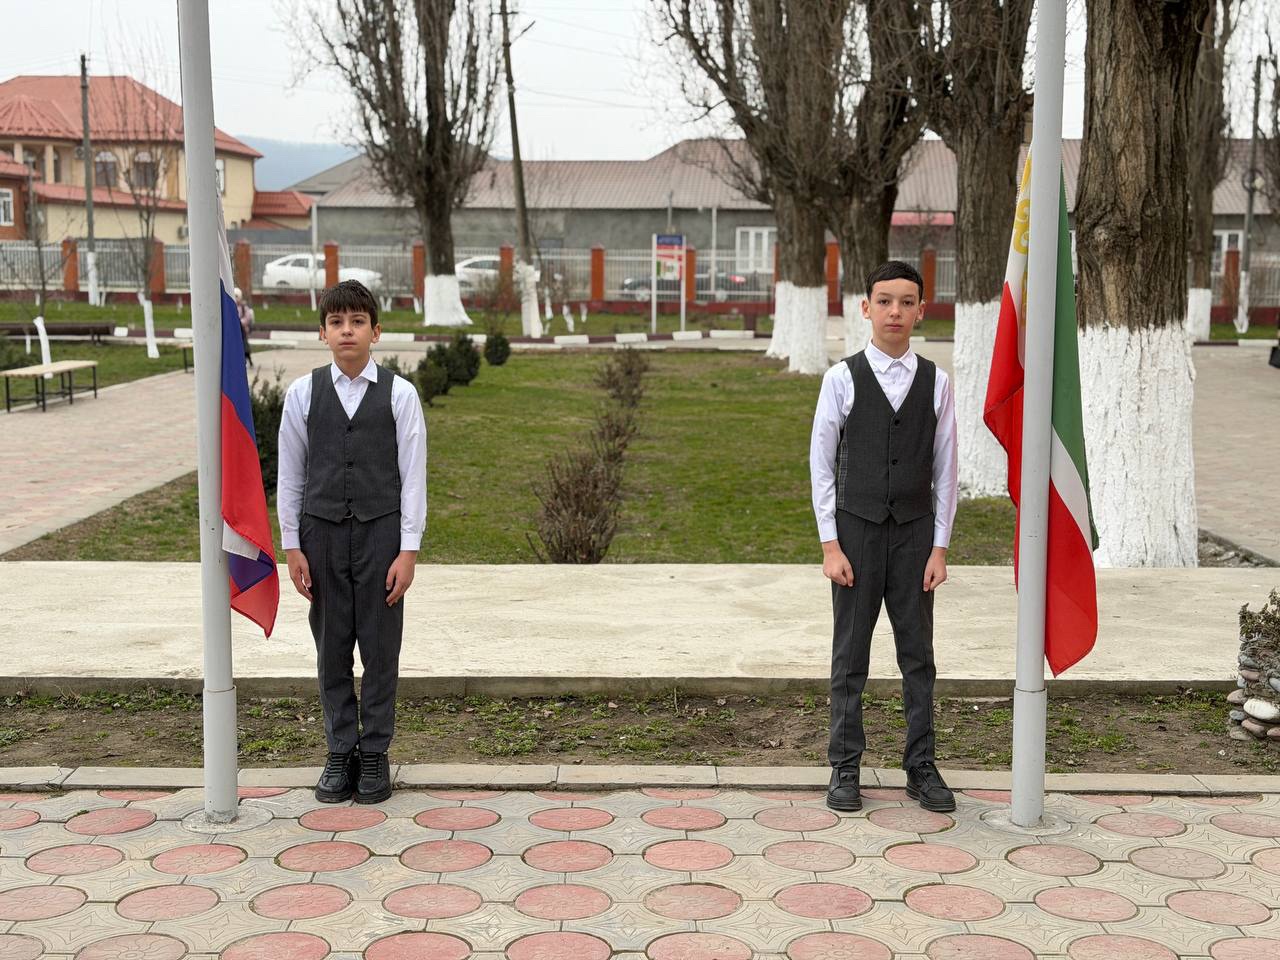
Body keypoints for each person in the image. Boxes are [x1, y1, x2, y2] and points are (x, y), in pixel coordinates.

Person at [809, 260, 958, 814]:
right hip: (856, 532)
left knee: (917, 655)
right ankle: (845, 765)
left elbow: (946, 470)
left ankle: (921, 765)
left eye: (907, 302)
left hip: (915, 535)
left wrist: (939, 547)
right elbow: (822, 465)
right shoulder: (841, 378)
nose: (895, 311)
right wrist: (830, 544)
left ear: (921, 311)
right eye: (885, 301)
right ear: (866, 308)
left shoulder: (937, 382)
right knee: (850, 654)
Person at [277, 279, 427, 804]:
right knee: (332, 645)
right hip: (319, 535)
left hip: (381, 535)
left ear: (375, 332)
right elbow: (291, 475)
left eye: (357, 322)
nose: (347, 331)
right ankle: (341, 748)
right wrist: (291, 544)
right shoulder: (302, 394)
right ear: (323, 333)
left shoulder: (400, 395)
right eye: (337, 322)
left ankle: (376, 751)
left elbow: (413, 478)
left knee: (381, 647)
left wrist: (408, 550)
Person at [233, 286, 254, 367]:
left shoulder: (243, 307)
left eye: (237, 296)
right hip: (235, 330)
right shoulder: (232, 307)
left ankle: (248, 359)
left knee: (244, 345)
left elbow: (247, 317)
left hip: (242, 330)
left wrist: (241, 322)